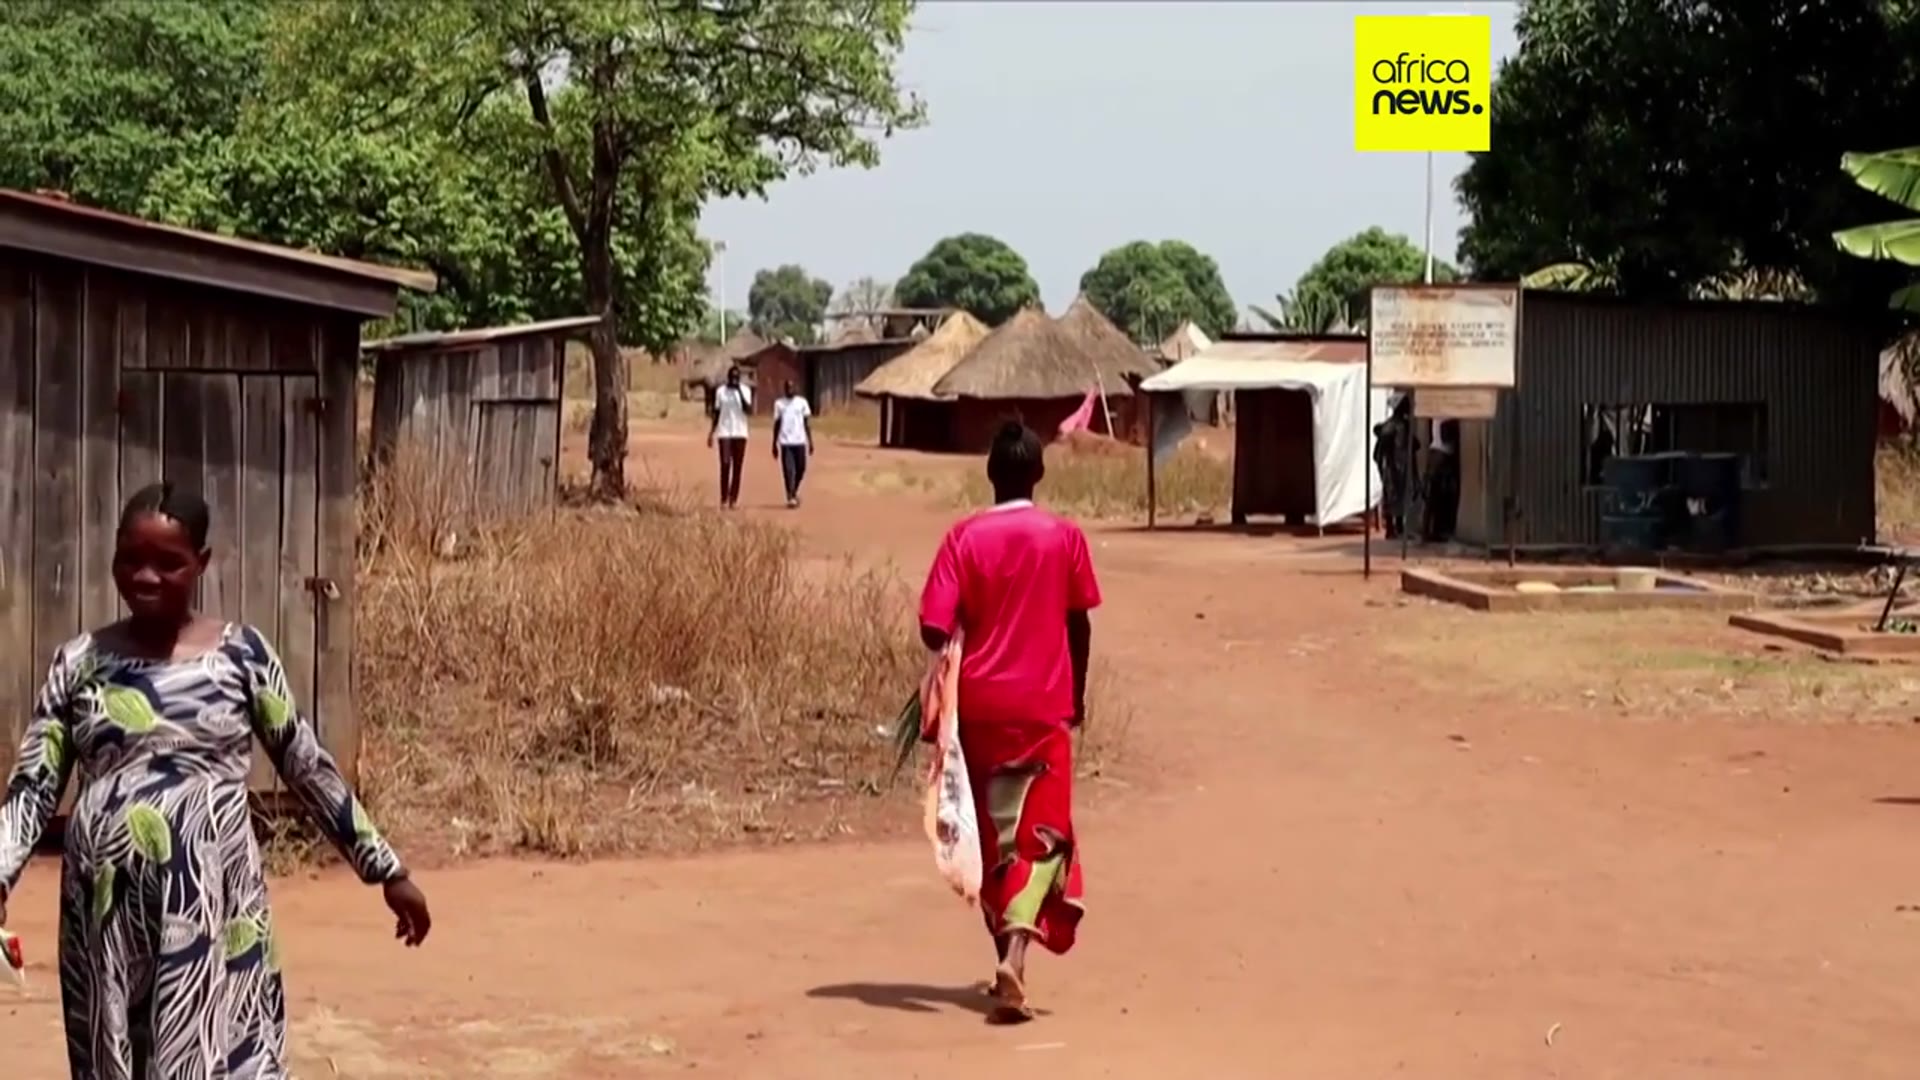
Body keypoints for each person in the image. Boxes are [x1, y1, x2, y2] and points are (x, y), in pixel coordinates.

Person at [0, 483, 430, 1079]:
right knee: (113, 1054)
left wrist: (386, 869)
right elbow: (33, 786)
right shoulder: (80, 663)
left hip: (209, 903)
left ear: (202, 562)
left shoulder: (241, 656)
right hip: (107, 912)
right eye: (130, 559)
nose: (145, 576)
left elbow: (304, 764)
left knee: (217, 1050)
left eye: (168, 562)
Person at [918, 421, 1097, 1023]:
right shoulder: (1064, 537)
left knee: (996, 836)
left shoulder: (962, 538)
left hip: (982, 709)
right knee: (1043, 833)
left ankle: (1006, 967)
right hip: (1045, 705)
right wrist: (1079, 693)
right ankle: (1015, 959)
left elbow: (933, 628)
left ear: (991, 474)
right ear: (1038, 475)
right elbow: (1080, 625)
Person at [707, 365, 752, 508]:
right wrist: (711, 432)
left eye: (736, 377)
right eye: (732, 377)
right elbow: (717, 412)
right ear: (728, 377)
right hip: (724, 432)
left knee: (737, 467)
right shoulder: (721, 391)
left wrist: (738, 391)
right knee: (725, 464)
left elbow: (748, 410)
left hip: (740, 432)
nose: (734, 380)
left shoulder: (745, 390)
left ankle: (733, 499)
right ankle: (724, 498)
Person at [1372, 395, 1413, 539]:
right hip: (1393, 467)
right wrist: (1387, 465)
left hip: (1398, 466)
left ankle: (1398, 527)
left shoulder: (1402, 425)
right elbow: (1380, 450)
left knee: (1399, 497)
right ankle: (1391, 528)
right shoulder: (1393, 426)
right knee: (1393, 496)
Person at [770, 380, 814, 509]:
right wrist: (774, 444)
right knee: (789, 470)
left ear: (796, 388)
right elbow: (777, 425)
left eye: (792, 387)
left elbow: (807, 423)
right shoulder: (779, 404)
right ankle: (790, 496)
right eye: (787, 387)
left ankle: (793, 491)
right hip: (786, 442)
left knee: (801, 468)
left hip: (800, 441)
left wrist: (810, 441)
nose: (790, 389)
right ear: (784, 389)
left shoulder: (802, 403)